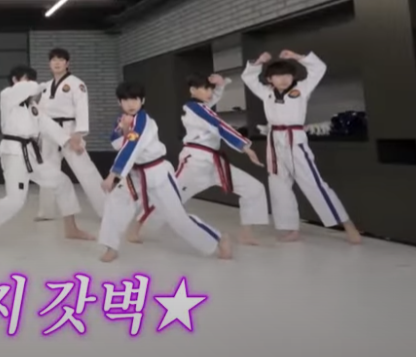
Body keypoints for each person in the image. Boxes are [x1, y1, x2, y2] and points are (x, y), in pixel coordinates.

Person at [126, 74, 268, 246]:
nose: (210, 93)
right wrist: (245, 147)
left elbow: (212, 103)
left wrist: (220, 85)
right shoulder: (194, 108)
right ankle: (136, 228)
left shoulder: (202, 107)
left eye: (210, 89)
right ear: (193, 90)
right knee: (169, 197)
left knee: (254, 188)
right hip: (195, 163)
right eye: (205, 89)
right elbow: (219, 125)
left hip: (216, 163)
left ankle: (246, 233)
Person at [97, 82, 231, 262]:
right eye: (125, 100)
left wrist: (113, 175)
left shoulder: (144, 121)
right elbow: (117, 143)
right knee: (115, 203)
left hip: (157, 173)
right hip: (135, 174)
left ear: (142, 100)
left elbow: (131, 147)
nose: (130, 104)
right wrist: (125, 128)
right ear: (119, 102)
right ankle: (110, 247)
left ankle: (219, 239)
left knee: (177, 218)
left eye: (134, 99)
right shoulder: (123, 121)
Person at [0, 65, 95, 244]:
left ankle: (71, 229)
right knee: (15, 201)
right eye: (26, 80)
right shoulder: (7, 96)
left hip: (31, 155)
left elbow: (48, 125)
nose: (30, 84)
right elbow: (30, 88)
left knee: (62, 182)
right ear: (15, 81)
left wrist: (68, 141)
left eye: (31, 80)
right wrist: (44, 85)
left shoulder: (32, 107)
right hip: (14, 154)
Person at [242, 51, 362, 244]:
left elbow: (319, 68)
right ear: (270, 79)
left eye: (287, 75)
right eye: (278, 76)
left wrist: (297, 57)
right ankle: (290, 228)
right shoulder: (266, 92)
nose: (283, 79)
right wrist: (258, 62)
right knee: (278, 186)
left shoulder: (302, 88)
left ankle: (348, 224)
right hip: (275, 141)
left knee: (313, 184)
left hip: (295, 141)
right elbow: (248, 78)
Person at [36, 48, 105, 220]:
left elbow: (82, 109)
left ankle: (106, 210)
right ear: (49, 64)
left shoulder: (76, 84)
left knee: (86, 171)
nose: (57, 63)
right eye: (54, 60)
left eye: (61, 60)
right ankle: (46, 211)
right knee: (48, 171)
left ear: (67, 63)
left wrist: (79, 133)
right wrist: (39, 134)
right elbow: (41, 112)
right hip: (50, 131)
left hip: (69, 130)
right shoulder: (46, 87)